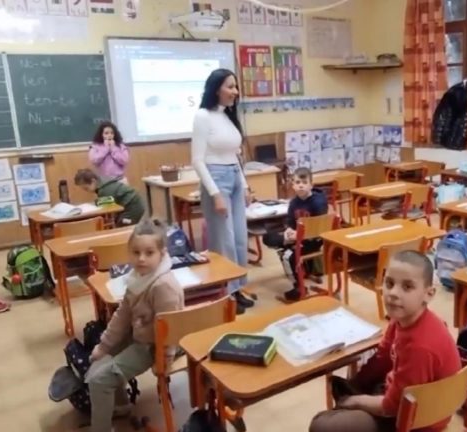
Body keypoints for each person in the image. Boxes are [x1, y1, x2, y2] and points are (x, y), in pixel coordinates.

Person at [309, 250, 461, 432]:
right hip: (401, 397)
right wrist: (355, 385)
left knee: (321, 425)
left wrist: (355, 401)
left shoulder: (419, 347)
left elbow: (392, 407)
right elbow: (382, 357)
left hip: (417, 421)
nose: (393, 293)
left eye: (407, 287)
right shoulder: (402, 319)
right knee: (343, 389)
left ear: (428, 294)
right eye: (389, 283)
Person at [85, 219, 184, 432]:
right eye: (136, 252)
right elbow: (122, 315)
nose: (141, 258)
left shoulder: (163, 286)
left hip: (156, 347)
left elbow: (170, 329)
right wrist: (104, 346)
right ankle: (121, 406)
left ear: (162, 253)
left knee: (99, 380)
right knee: (98, 364)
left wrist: (165, 361)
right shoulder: (137, 277)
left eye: (149, 253)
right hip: (140, 336)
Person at [191, 68, 254, 314]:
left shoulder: (227, 115)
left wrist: (245, 186)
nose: (235, 92)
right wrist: (215, 194)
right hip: (215, 180)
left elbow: (235, 156)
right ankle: (225, 294)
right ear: (216, 89)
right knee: (223, 241)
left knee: (239, 239)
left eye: (236, 86)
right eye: (230, 86)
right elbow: (197, 160)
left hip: (235, 177)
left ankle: (238, 288)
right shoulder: (203, 116)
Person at [262, 167, 328, 301]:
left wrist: (298, 235)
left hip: (313, 240)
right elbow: (290, 221)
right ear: (293, 185)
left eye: (304, 182)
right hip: (297, 237)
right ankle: (288, 246)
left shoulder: (318, 202)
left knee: (287, 255)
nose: (301, 185)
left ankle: (299, 287)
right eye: (297, 182)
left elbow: (319, 227)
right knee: (268, 237)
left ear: (311, 185)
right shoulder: (294, 203)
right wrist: (289, 230)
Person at [74, 168, 145, 226]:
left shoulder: (104, 190)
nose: (87, 191)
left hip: (133, 207)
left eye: (86, 188)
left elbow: (107, 210)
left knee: (123, 226)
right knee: (118, 223)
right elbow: (104, 202)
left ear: (93, 181)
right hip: (129, 204)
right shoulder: (101, 182)